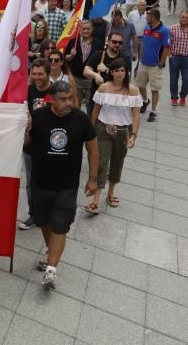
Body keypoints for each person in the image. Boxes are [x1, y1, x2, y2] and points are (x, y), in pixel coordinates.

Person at [24, 81, 98, 288]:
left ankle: (51, 270)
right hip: (40, 183)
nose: (69, 103)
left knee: (59, 225)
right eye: (63, 99)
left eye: (71, 98)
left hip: (67, 186)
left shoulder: (81, 119)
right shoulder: (38, 117)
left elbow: (93, 149)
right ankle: (51, 253)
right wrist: (25, 127)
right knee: (43, 221)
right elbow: (25, 143)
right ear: (52, 99)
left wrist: (92, 179)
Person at [85, 58, 142, 213]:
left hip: (123, 131)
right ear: (111, 72)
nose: (120, 73)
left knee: (117, 163)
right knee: (101, 163)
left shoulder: (133, 91)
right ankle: (95, 200)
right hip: (103, 129)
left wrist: (134, 135)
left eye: (122, 70)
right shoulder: (103, 88)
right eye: (116, 70)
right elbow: (95, 111)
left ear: (127, 72)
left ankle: (111, 193)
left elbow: (136, 116)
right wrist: (91, 131)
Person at [18, 58, 52, 231]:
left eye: (41, 74)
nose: (37, 77)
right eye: (34, 74)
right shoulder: (28, 91)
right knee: (31, 182)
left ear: (48, 74)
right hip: (30, 145)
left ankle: (49, 212)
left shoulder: (55, 92)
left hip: (50, 147)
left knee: (49, 181)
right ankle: (34, 214)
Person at [136, 8, 171, 122]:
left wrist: (161, 62)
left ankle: (153, 111)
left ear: (154, 17)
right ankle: (145, 101)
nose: (146, 18)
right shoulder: (146, 27)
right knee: (140, 86)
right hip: (143, 63)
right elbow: (143, 43)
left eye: (148, 16)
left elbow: (166, 47)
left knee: (154, 89)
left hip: (156, 66)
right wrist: (140, 57)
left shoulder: (164, 30)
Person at [83, 31, 124, 105]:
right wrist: (96, 75)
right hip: (96, 96)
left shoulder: (123, 58)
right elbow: (86, 71)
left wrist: (106, 70)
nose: (117, 44)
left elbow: (125, 76)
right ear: (108, 42)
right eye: (114, 42)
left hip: (114, 97)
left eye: (120, 43)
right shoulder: (98, 55)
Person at [65, 20, 96, 113]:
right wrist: (71, 55)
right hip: (76, 79)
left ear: (92, 29)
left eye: (88, 29)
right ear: (79, 30)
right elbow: (65, 58)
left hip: (91, 80)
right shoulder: (73, 42)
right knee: (75, 105)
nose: (86, 31)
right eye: (83, 28)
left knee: (90, 105)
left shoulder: (98, 43)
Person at [168, 10, 188, 106]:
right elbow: (167, 43)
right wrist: (169, 55)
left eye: (186, 18)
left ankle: (183, 96)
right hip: (175, 57)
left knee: (186, 79)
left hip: (186, 59)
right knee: (174, 78)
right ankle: (174, 97)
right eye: (183, 17)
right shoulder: (172, 28)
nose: (184, 19)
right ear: (179, 17)